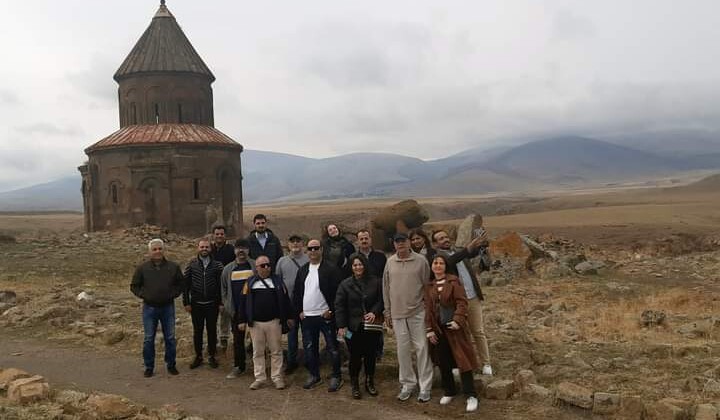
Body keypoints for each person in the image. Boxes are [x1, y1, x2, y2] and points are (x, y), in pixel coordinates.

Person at [432, 229, 493, 376]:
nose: (445, 240)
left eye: (446, 237)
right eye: (441, 238)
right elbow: (452, 260)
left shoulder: (458, 251)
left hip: (472, 297)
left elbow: (471, 253)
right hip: (455, 302)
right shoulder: (438, 258)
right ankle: (465, 364)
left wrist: (481, 244)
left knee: (478, 331)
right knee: (460, 335)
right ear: (435, 243)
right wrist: (468, 248)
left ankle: (486, 363)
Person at [425, 254, 479, 412]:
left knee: (463, 361)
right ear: (432, 266)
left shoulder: (454, 281)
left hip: (455, 328)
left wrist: (457, 320)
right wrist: (429, 330)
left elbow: (462, 302)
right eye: (435, 263)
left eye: (441, 263)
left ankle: (471, 394)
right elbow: (428, 309)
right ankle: (449, 391)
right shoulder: (429, 286)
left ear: (445, 266)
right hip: (438, 329)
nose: (438, 265)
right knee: (443, 361)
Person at [383, 232, 433, 402]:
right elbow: (385, 288)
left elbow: (427, 286)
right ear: (394, 244)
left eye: (403, 241)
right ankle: (407, 384)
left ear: (409, 243)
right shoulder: (390, 262)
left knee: (422, 349)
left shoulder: (421, 261)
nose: (400, 244)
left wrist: (428, 310)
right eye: (397, 242)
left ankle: (425, 387)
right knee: (402, 351)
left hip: (417, 312)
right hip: (397, 314)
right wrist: (387, 312)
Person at [236, 255, 295, 390]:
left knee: (276, 351)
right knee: (258, 352)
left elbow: (286, 300)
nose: (266, 268)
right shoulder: (249, 282)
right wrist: (241, 320)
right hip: (255, 324)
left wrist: (290, 316)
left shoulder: (278, 282)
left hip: (274, 322)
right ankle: (260, 378)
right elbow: (242, 302)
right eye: (263, 266)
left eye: (268, 265)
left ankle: (277, 378)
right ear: (256, 268)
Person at [293, 239, 345, 392]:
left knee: (332, 348)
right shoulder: (302, 270)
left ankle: (336, 376)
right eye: (310, 248)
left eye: (316, 248)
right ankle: (314, 375)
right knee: (310, 348)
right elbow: (297, 293)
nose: (313, 251)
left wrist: (332, 311)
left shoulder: (331, 269)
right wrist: (299, 311)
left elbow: (338, 293)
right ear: (307, 251)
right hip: (307, 317)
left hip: (325, 316)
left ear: (321, 249)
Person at [130, 238, 185, 378]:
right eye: (154, 249)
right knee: (149, 338)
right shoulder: (142, 268)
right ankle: (149, 366)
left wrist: (172, 294)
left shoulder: (173, 267)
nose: (157, 251)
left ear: (163, 250)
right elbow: (134, 286)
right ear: (149, 252)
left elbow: (181, 284)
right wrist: (144, 295)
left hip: (168, 307)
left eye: (160, 249)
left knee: (170, 338)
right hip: (149, 308)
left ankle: (171, 364)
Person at [335, 253, 383, 399]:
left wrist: (374, 312)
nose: (358, 267)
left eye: (360, 264)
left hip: (371, 326)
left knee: (370, 355)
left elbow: (381, 300)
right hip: (352, 327)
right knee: (355, 356)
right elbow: (339, 306)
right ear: (351, 267)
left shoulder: (375, 281)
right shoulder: (345, 284)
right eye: (355, 265)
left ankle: (369, 381)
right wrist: (341, 326)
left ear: (365, 265)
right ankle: (355, 384)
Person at [183, 238, 224, 369]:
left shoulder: (217, 265)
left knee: (212, 331)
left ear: (210, 249)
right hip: (196, 304)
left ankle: (212, 356)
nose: (204, 249)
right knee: (198, 331)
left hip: (212, 304)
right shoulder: (191, 264)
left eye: (206, 247)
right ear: (198, 248)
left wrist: (221, 302)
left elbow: (221, 286)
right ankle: (198, 356)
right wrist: (186, 302)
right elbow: (186, 285)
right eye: (202, 247)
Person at [220, 238, 255, 378]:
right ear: (234, 251)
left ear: (248, 250)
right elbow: (223, 290)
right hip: (236, 311)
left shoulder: (254, 266)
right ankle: (239, 366)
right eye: (238, 248)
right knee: (238, 341)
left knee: (257, 340)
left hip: (254, 310)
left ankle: (259, 368)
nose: (241, 251)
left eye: (244, 248)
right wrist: (228, 307)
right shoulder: (228, 269)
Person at [275, 233, 309, 373]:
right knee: (292, 335)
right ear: (288, 245)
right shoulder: (282, 261)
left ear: (302, 244)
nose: (295, 244)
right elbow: (278, 282)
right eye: (292, 241)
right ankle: (291, 361)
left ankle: (309, 360)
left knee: (308, 335)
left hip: (307, 304)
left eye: (298, 241)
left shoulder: (308, 259)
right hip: (290, 305)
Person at [356, 228, 387, 361]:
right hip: (360, 295)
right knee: (362, 325)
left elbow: (386, 275)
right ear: (358, 241)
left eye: (366, 238)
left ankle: (378, 351)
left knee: (377, 324)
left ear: (370, 240)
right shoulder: (355, 258)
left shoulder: (380, 256)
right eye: (361, 239)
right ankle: (363, 351)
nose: (364, 241)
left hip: (378, 294)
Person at [210, 225, 235, 350]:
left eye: (221, 234)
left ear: (225, 235)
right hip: (212, 285)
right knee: (214, 314)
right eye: (217, 234)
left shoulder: (231, 249)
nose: (219, 236)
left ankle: (228, 337)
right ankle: (217, 340)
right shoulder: (210, 249)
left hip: (228, 284)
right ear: (213, 235)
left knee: (228, 309)